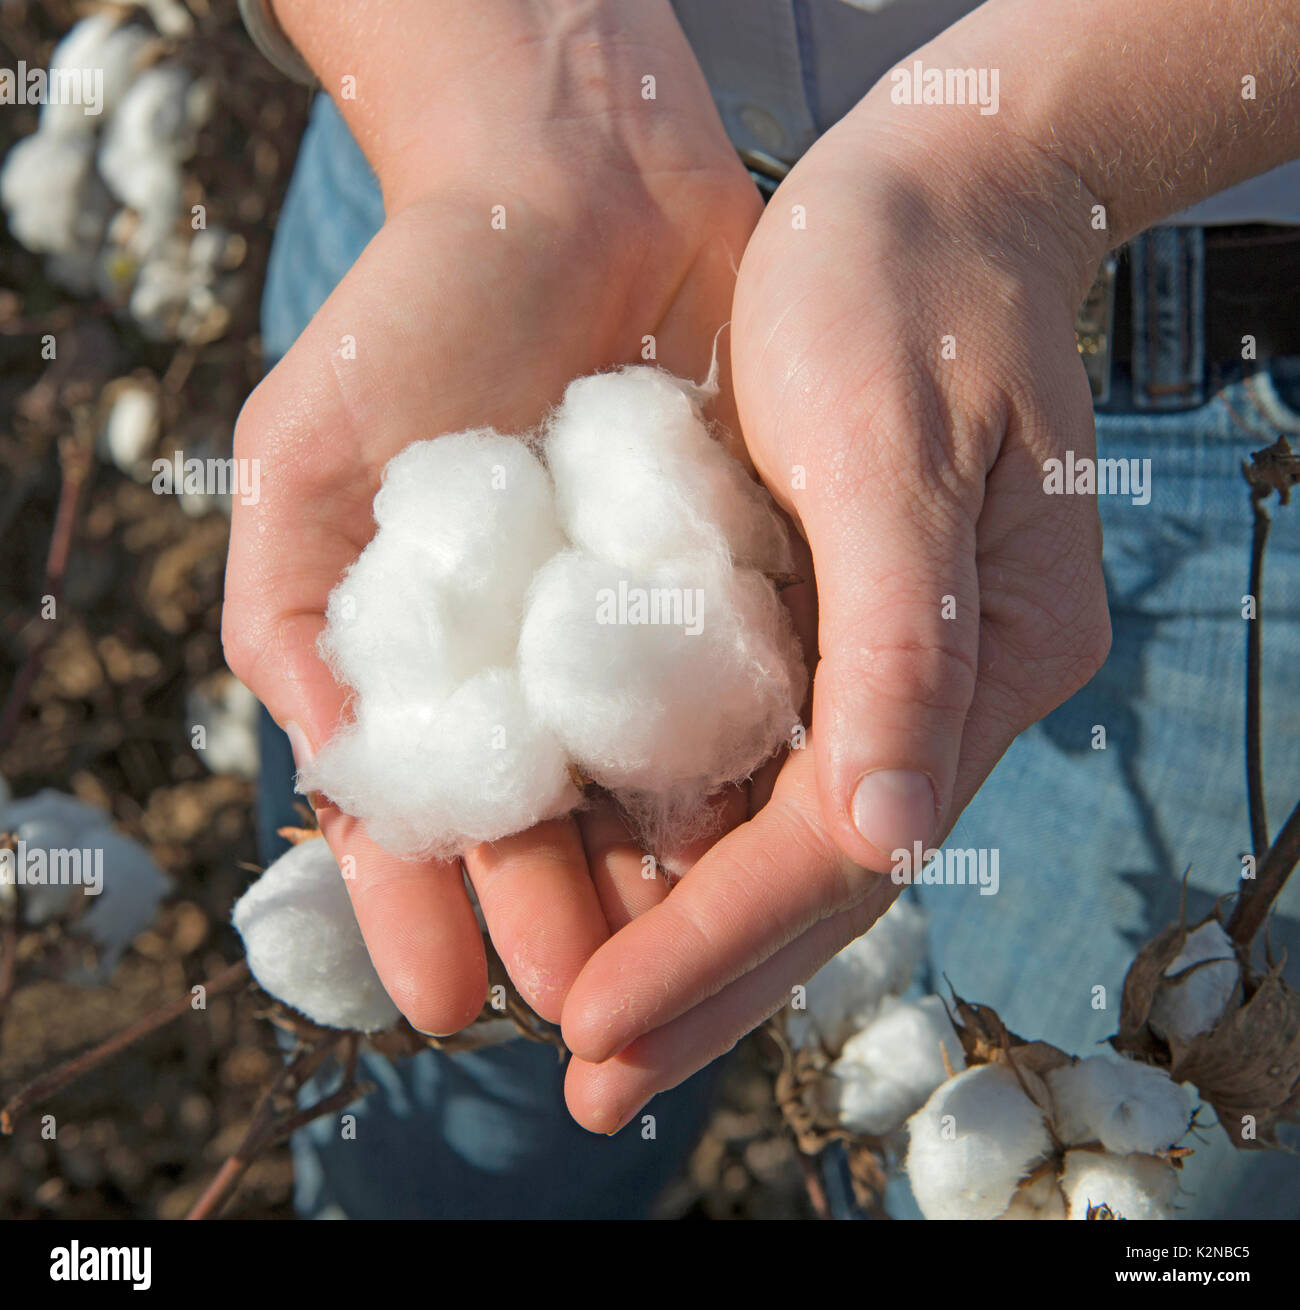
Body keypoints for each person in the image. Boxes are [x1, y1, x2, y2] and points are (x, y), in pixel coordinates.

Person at [225, 0, 1300, 1219]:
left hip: (1214, 352)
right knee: (456, 1159)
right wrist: (505, 85)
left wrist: (1026, 160)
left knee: (1095, 1131)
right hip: (444, 181)